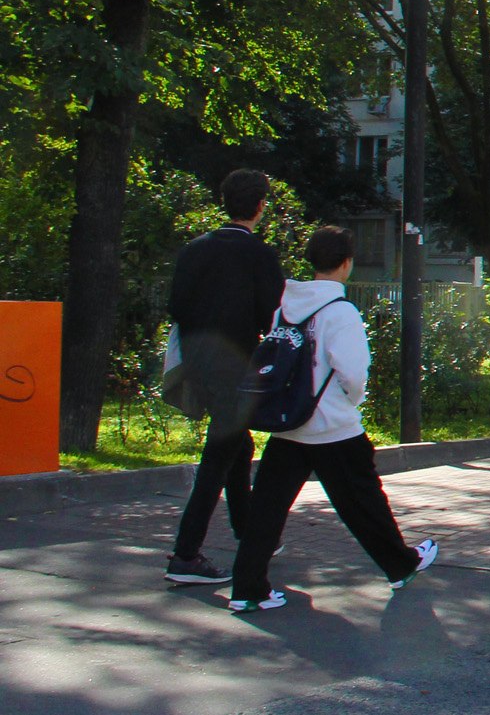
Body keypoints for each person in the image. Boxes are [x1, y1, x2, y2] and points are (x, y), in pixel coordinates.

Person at [226, 226, 438, 614]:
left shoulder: (285, 307)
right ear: (346, 263)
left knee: (267, 509)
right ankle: (400, 564)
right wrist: (349, 403)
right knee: (363, 501)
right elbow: (353, 373)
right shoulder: (340, 311)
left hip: (289, 424)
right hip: (333, 426)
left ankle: (247, 588)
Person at [163, 170, 286, 585]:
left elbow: (176, 306)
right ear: (260, 206)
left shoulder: (194, 249)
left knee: (237, 444)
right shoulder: (259, 255)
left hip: (198, 361)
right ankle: (186, 554)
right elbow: (272, 314)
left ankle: (249, 532)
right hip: (238, 365)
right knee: (218, 457)